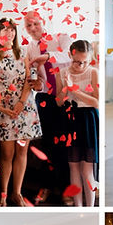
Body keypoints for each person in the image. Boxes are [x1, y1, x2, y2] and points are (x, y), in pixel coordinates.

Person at [24, 10, 73, 197]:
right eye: (29, 25)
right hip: (44, 98)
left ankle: (67, 190)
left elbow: (71, 55)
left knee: (64, 145)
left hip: (64, 96)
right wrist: (37, 83)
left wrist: (48, 57)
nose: (33, 28)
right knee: (46, 146)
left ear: (43, 22)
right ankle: (47, 186)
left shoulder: (61, 38)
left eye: (36, 23)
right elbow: (37, 76)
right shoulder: (30, 48)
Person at [0, 17, 39, 206]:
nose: (9, 33)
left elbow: (29, 79)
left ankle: (16, 193)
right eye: (5, 29)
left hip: (24, 107)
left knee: (22, 152)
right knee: (6, 154)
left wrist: (20, 103)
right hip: (4, 108)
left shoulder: (23, 52)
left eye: (12, 29)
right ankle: (3, 193)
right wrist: (1, 105)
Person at [60, 40, 99, 207]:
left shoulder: (93, 72)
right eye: (76, 61)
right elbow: (59, 102)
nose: (80, 65)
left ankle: (90, 208)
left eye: (84, 61)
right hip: (70, 118)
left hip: (88, 119)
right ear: (70, 55)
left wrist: (74, 89)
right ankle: (78, 207)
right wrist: (65, 89)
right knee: (73, 166)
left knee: (87, 169)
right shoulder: (62, 72)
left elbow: (96, 101)